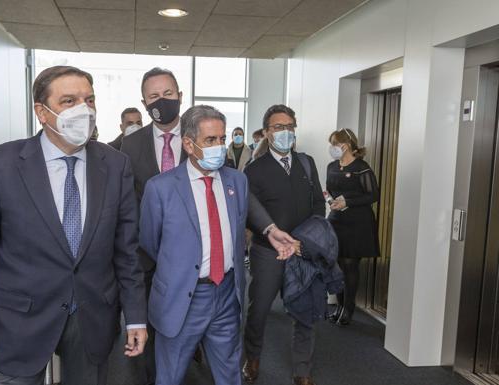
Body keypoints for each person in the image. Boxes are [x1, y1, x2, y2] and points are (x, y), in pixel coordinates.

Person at [0, 65, 148, 385]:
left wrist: (136, 318)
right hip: (19, 320)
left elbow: (126, 252)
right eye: (69, 101)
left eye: (89, 100)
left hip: (92, 316)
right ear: (42, 112)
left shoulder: (115, 165)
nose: (83, 110)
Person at [139, 105, 296, 385]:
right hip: (182, 298)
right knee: (170, 376)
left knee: (229, 375)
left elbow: (246, 217)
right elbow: (151, 244)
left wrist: (271, 229)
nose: (220, 147)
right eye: (210, 140)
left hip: (226, 293)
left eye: (222, 139)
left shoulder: (236, 180)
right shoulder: (160, 188)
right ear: (189, 144)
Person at [243, 104, 325, 385]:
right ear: (267, 132)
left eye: (290, 126)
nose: (285, 132)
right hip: (269, 253)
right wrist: (272, 238)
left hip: (302, 252)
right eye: (278, 127)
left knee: (305, 311)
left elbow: (318, 204)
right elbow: (250, 215)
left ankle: (303, 371)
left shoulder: (307, 163)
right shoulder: (254, 170)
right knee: (260, 309)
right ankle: (252, 357)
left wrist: (308, 240)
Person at [120, 67, 187, 385]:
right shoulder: (131, 146)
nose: (163, 101)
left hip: (190, 257)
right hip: (146, 256)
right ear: (145, 103)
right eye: (154, 96)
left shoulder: (199, 137)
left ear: (181, 96)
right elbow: (128, 205)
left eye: (168, 94)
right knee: (147, 329)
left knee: (186, 332)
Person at [325, 128, 380, 326]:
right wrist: (331, 200)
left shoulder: (361, 167)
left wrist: (348, 201)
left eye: (334, 144)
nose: (331, 148)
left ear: (345, 145)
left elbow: (373, 195)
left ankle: (348, 309)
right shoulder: (332, 166)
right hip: (336, 220)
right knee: (335, 265)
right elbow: (330, 190)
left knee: (350, 265)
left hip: (358, 222)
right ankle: (339, 306)